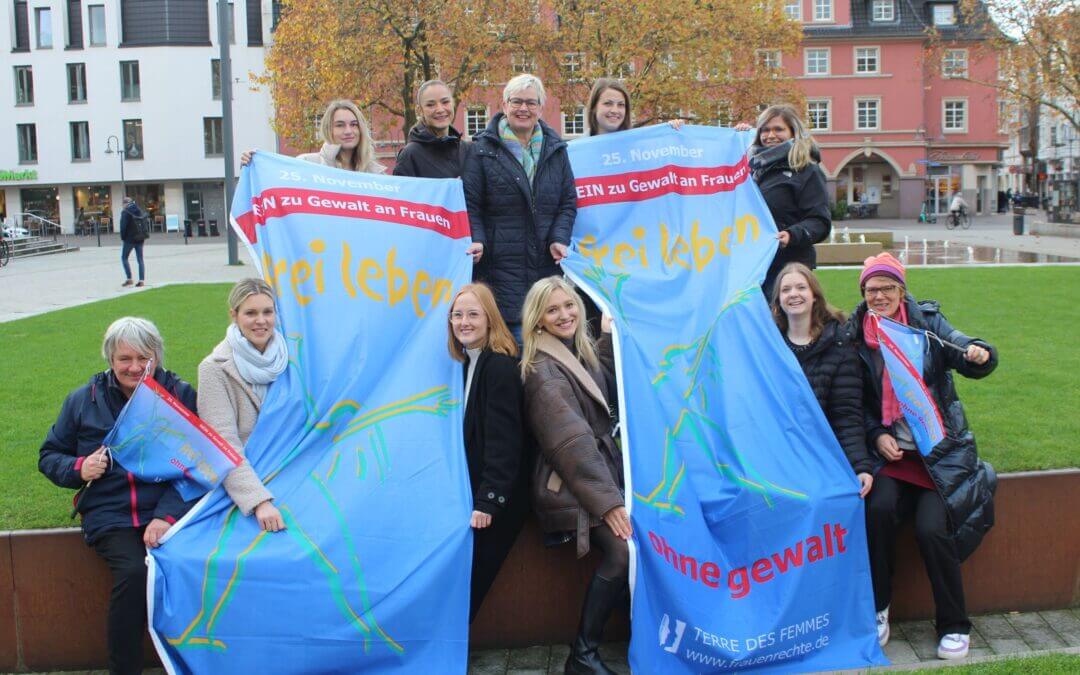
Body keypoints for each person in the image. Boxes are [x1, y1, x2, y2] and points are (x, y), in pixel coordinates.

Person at [849, 253, 997, 659]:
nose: (878, 296)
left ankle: (953, 623)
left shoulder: (927, 324)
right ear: (863, 293)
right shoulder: (855, 335)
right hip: (892, 460)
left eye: (886, 288)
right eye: (871, 289)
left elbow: (962, 347)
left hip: (938, 457)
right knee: (876, 513)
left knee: (934, 529)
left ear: (902, 290)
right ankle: (878, 608)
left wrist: (979, 352)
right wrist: (876, 434)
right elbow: (855, 403)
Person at [39, 317, 197, 675]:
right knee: (134, 571)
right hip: (111, 515)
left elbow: (200, 466)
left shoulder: (181, 395)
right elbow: (49, 456)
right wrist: (79, 468)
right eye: (125, 359)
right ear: (110, 359)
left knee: (193, 567)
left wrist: (166, 516)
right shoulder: (83, 400)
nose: (136, 368)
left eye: (145, 358)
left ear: (157, 357)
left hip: (169, 512)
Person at [520, 277, 629, 675]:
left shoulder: (574, 350)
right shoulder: (540, 370)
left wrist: (603, 340)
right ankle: (582, 655)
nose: (564, 314)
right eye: (553, 310)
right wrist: (610, 504)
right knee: (620, 552)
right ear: (538, 320)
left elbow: (596, 386)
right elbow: (572, 445)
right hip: (567, 486)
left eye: (569, 306)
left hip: (596, 475)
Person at [462, 74, 577, 338]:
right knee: (513, 358)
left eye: (530, 102)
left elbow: (567, 202)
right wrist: (478, 239)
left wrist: (559, 238)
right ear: (504, 105)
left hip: (546, 272)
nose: (523, 108)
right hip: (500, 272)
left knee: (549, 361)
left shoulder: (557, 150)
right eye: (516, 101)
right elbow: (471, 205)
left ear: (540, 107)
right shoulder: (481, 151)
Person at [447, 282, 529, 622]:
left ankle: (450, 649)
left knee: (471, 580)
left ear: (490, 319)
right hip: (472, 492)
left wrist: (489, 500)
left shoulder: (499, 367)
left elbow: (505, 441)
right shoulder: (468, 364)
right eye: (457, 315)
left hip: (497, 501)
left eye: (472, 314)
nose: (464, 321)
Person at [770, 263, 873, 497]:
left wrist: (859, 466)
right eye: (786, 290)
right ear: (778, 301)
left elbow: (846, 414)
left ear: (814, 296)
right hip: (777, 452)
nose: (793, 294)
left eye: (801, 287)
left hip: (821, 452)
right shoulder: (767, 346)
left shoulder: (839, 345)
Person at [197, 279, 288, 532]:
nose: (261, 320)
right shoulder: (214, 368)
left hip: (293, 468)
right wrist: (259, 501)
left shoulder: (292, 359)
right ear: (234, 315)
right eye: (251, 313)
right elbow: (223, 443)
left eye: (267, 312)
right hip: (247, 480)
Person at [742, 104, 831, 298]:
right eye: (765, 130)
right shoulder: (751, 169)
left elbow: (820, 222)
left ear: (793, 132)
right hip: (753, 264)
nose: (770, 135)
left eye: (778, 129)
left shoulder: (806, 171)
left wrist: (792, 235)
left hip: (789, 266)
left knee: (782, 324)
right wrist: (735, 139)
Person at [241, 99, 384, 173]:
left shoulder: (375, 173)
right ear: (329, 129)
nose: (348, 131)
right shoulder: (307, 164)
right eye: (340, 125)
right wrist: (254, 164)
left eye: (354, 124)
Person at [393, 79, 470, 179]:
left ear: (453, 103)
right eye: (430, 105)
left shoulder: (466, 150)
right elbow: (402, 193)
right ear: (419, 111)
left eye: (445, 102)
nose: (440, 109)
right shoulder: (410, 155)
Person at [119, 196, 147, 288]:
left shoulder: (125, 212)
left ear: (125, 204)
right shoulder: (139, 210)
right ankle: (141, 280)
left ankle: (129, 278)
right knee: (140, 259)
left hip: (129, 239)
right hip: (140, 238)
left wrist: (123, 237)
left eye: (123, 204)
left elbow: (123, 227)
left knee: (124, 258)